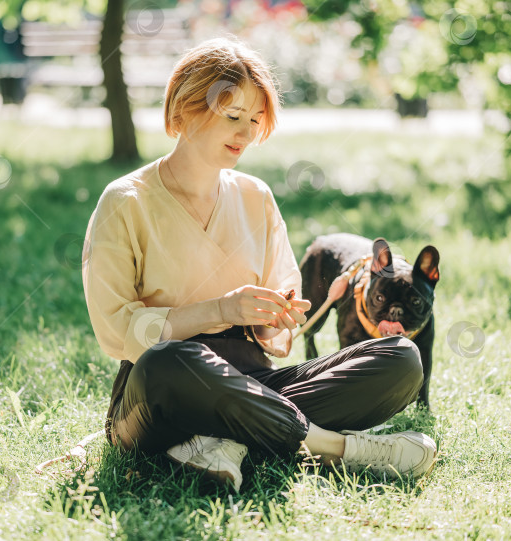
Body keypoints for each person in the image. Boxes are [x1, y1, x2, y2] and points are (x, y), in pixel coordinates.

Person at [81, 37, 436, 492]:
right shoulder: (125, 201)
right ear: (182, 111)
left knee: (401, 358)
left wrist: (276, 322)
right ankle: (340, 448)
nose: (247, 135)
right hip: (161, 388)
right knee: (167, 359)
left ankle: (222, 440)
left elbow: (280, 326)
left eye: (254, 120)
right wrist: (221, 311)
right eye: (233, 118)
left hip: (256, 381)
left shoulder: (255, 196)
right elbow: (116, 332)